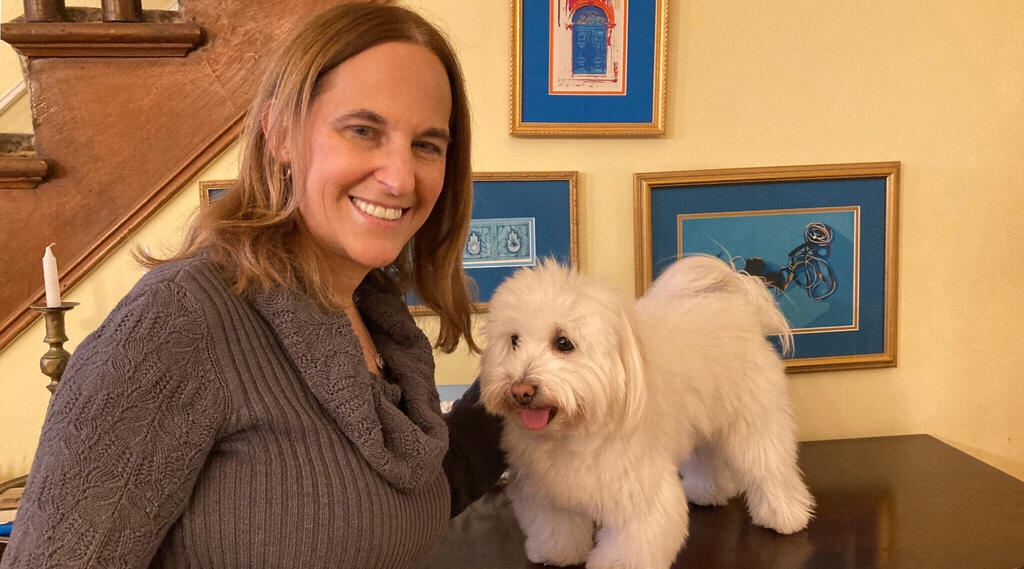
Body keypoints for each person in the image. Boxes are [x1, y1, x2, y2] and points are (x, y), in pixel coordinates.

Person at [1, 3, 506, 568]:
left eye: (426, 144)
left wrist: (533, 375)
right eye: (363, 130)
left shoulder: (377, 319)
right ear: (280, 135)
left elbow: (396, 502)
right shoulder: (178, 321)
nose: (398, 176)